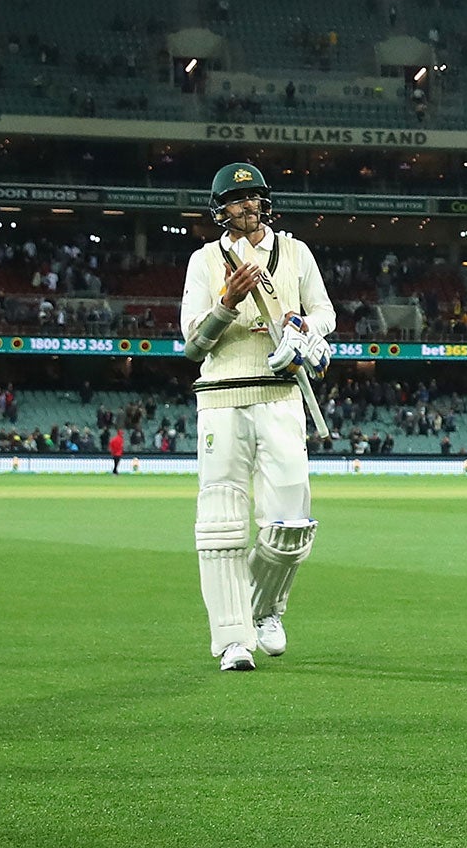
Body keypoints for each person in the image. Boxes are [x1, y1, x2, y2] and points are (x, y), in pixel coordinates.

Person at [179, 161, 335, 672]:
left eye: (254, 198)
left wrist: (301, 325)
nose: (247, 206)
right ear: (220, 209)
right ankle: (231, 640)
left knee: (291, 524)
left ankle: (262, 608)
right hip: (221, 397)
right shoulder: (204, 261)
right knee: (221, 526)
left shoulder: (295, 251)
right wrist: (228, 301)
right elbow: (193, 343)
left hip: (282, 396)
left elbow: (326, 314)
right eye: (236, 200)